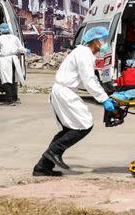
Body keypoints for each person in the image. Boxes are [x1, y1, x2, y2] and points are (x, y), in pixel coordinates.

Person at [33, 27, 118, 177]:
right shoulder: (84, 54)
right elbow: (88, 81)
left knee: (68, 129)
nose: (105, 44)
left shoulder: (83, 53)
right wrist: (104, 98)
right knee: (84, 124)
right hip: (63, 92)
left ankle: (42, 166)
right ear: (96, 41)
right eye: (103, 40)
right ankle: (53, 152)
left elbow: (84, 80)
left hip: (64, 91)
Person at [0, 23, 27, 105]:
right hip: (14, 59)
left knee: (6, 80)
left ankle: (9, 100)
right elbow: (21, 48)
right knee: (13, 79)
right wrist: (26, 51)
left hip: (5, 60)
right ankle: (14, 98)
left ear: (0, 30)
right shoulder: (15, 38)